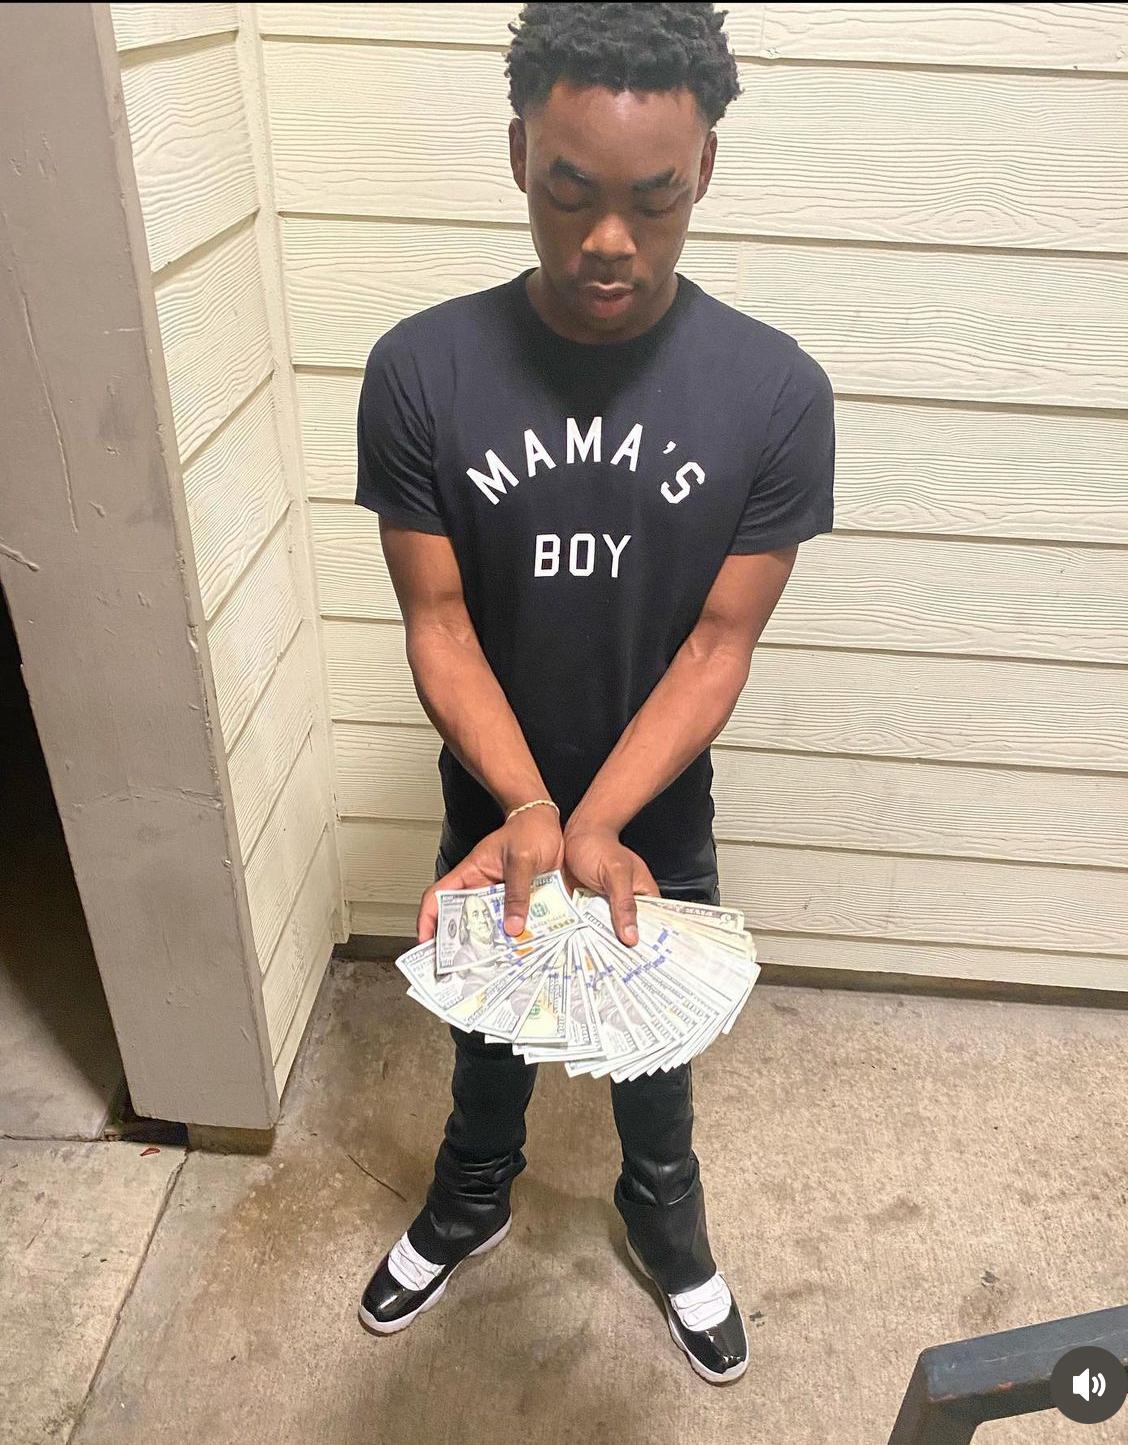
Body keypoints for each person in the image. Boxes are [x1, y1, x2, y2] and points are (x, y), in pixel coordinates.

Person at [355, 1, 835, 1386]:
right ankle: (471, 1193)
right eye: (570, 195)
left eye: (652, 200)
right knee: (489, 1019)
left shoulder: (775, 391)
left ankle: (663, 1213)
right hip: (494, 785)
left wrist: (601, 819)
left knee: (649, 1031)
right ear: (520, 157)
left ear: (704, 174)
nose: (609, 240)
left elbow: (718, 644)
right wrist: (525, 806)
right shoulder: (421, 370)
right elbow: (438, 619)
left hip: (653, 801)